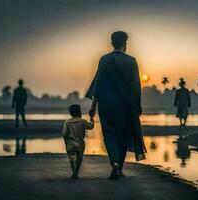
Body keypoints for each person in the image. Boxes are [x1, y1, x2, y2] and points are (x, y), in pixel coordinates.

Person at [86, 31, 146, 179]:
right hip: (126, 106)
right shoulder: (131, 61)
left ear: (112, 43)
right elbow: (135, 86)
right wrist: (137, 107)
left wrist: (93, 105)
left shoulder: (104, 60)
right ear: (124, 43)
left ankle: (115, 164)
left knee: (110, 135)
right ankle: (119, 167)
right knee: (123, 136)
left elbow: (98, 84)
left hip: (107, 104)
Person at [62, 104, 94, 179]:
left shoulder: (68, 122)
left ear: (71, 113)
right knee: (79, 159)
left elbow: (64, 134)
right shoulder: (83, 121)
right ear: (79, 112)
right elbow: (91, 126)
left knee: (72, 159)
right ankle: (76, 172)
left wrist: (66, 142)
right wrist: (91, 117)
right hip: (80, 144)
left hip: (70, 145)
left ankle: (74, 173)